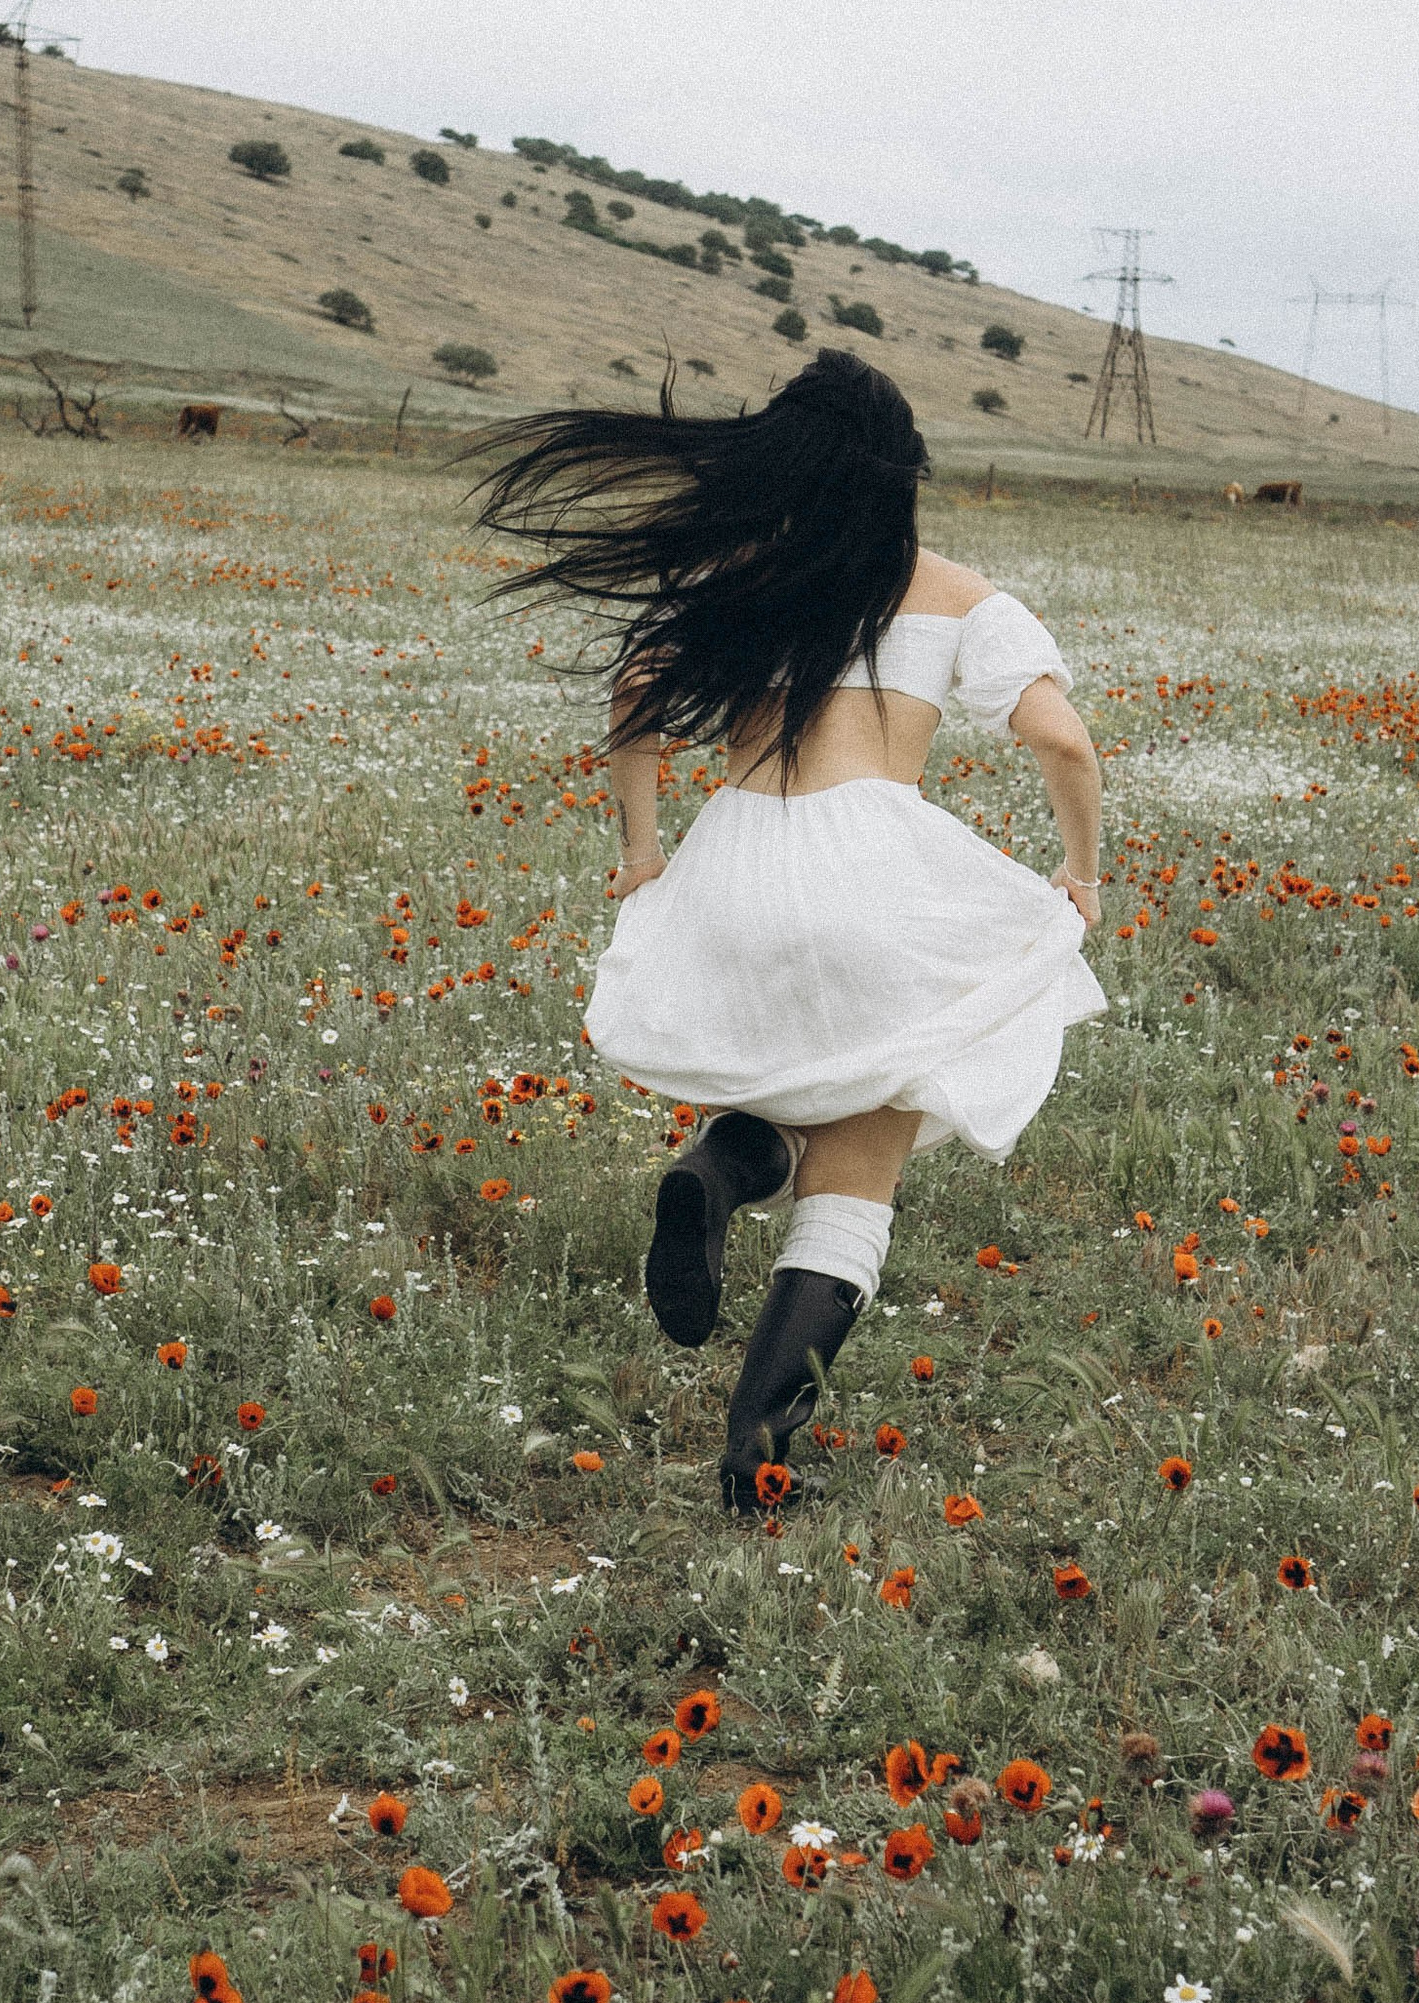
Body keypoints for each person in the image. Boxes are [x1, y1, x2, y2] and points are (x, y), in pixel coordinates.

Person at [471, 347, 1105, 1508]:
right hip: (874, 861)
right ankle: (754, 1451)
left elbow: (634, 709)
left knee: (785, 1082)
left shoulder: (733, 575)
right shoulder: (960, 595)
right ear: (899, 471)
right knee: (860, 1167)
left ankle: (718, 1171)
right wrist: (1078, 869)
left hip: (735, 856)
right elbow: (1062, 741)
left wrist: (641, 850)